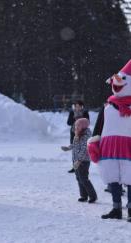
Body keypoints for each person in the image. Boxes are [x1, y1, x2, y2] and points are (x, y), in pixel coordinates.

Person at [88, 60, 131, 221]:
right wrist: (94, 142)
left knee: (130, 178)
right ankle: (116, 208)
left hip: (129, 147)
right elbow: (99, 126)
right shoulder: (108, 106)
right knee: (112, 178)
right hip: (109, 148)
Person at [62, 118, 97, 203]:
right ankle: (84, 195)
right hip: (76, 160)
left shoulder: (86, 136)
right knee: (79, 178)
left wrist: (79, 161)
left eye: (78, 125)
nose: (76, 127)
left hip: (83, 161)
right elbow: (74, 145)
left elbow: (84, 150)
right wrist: (68, 148)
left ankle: (93, 196)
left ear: (83, 126)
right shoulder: (78, 134)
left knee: (84, 178)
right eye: (75, 125)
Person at [66, 100, 90, 173]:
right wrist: (74, 118)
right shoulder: (72, 112)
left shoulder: (85, 112)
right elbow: (68, 122)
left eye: (79, 106)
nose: (77, 107)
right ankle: (74, 166)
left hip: (83, 133)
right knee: (74, 149)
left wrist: (81, 120)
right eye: (76, 106)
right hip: (74, 132)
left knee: (82, 149)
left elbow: (87, 122)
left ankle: (83, 165)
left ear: (82, 106)